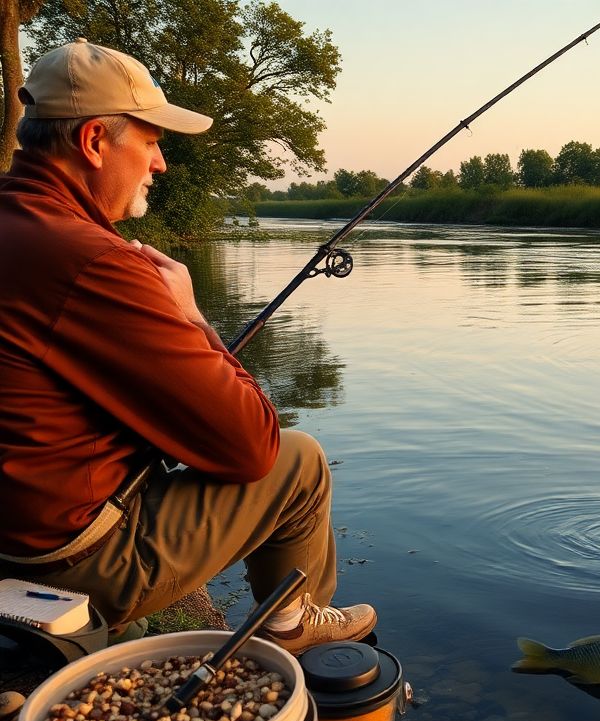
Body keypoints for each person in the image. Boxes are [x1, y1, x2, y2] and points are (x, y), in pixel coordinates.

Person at [0, 38, 376, 654]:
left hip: (14, 530)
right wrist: (193, 317)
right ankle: (292, 626)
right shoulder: (93, 262)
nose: (160, 164)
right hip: (60, 559)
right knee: (298, 461)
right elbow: (251, 447)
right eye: (151, 142)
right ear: (94, 141)